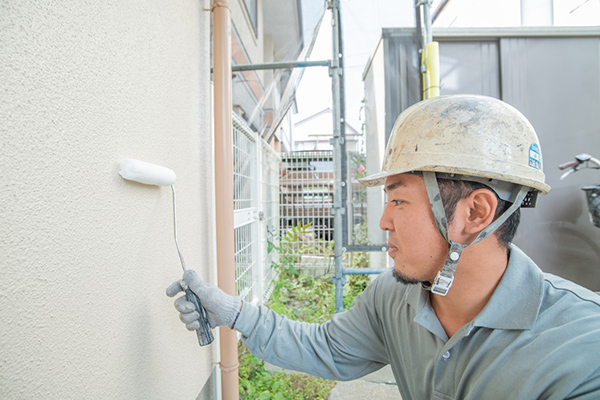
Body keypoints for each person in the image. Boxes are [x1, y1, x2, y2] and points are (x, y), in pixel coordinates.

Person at [167, 95, 600, 399]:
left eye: (398, 200)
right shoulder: (393, 298)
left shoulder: (582, 346)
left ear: (475, 213)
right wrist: (235, 314)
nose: (383, 221)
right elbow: (328, 349)